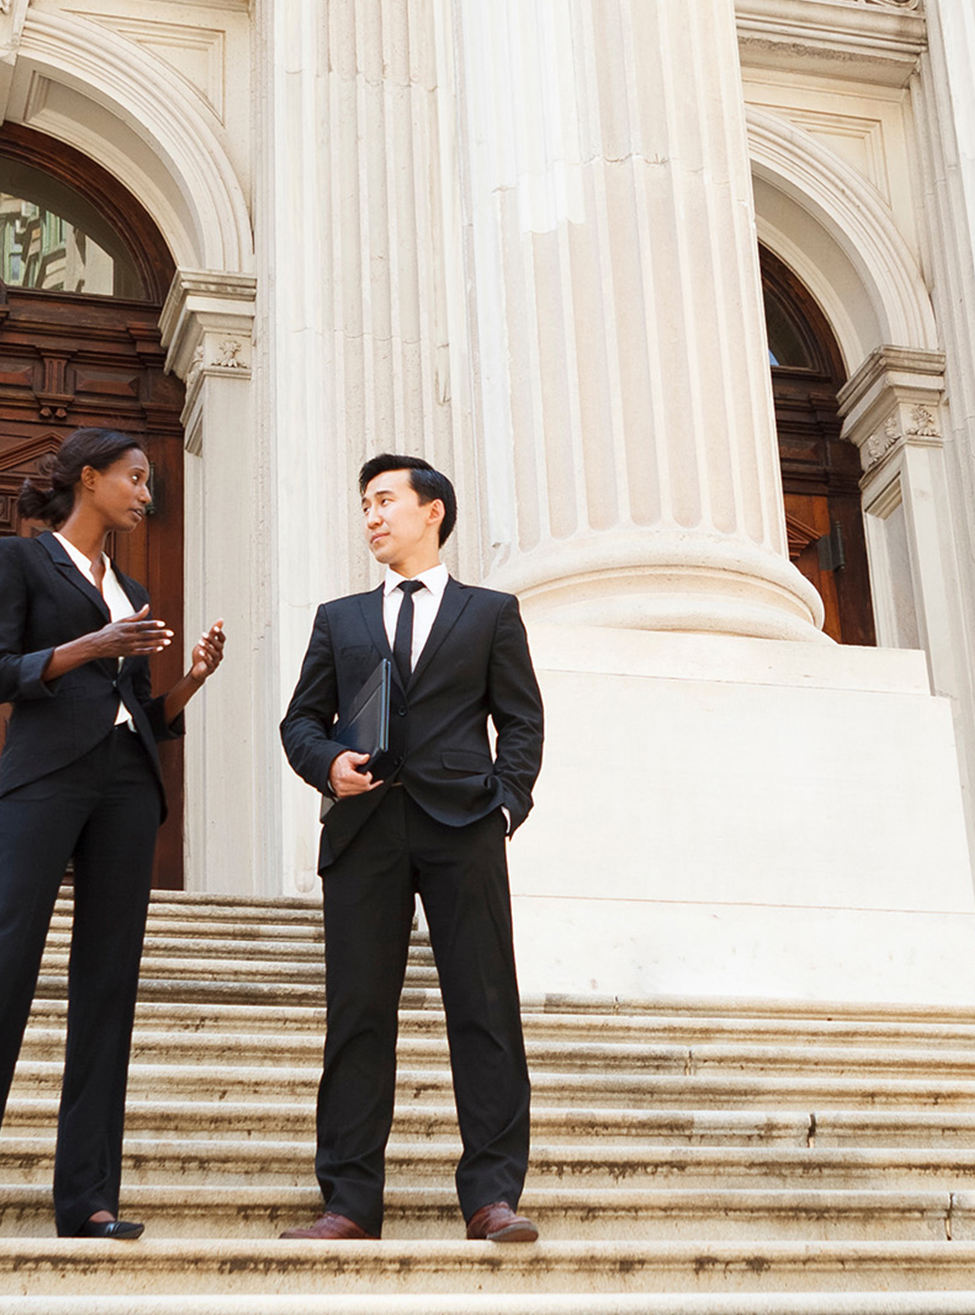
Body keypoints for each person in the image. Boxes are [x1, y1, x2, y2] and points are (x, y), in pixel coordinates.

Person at [280, 453, 544, 1243]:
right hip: (363, 832)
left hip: (463, 826)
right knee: (358, 1014)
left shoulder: (491, 611)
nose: (371, 515)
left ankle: (492, 1195)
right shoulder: (340, 617)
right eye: (364, 503)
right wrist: (327, 762)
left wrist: (506, 804)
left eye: (384, 500)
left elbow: (522, 720)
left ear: (432, 510)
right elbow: (301, 720)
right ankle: (349, 1201)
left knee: (485, 1009)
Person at [0, 427, 225, 1241]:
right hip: (43, 776)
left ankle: (88, 1196)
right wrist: (91, 642)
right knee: (8, 961)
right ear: (89, 479)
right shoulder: (20, 561)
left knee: (108, 987)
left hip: (128, 783)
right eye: (133, 478)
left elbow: (144, 712)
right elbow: (4, 669)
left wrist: (193, 678)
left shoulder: (132, 585)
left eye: (148, 481)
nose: (144, 493)